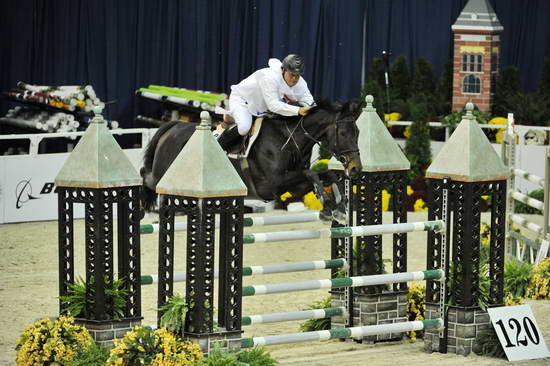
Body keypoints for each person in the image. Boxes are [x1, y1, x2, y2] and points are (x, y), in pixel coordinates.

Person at [217, 54, 314, 151]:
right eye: (292, 74)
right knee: (244, 128)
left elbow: (310, 102)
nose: (294, 79)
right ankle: (217, 145)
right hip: (243, 101)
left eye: (297, 75)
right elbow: (273, 105)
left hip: (262, 108)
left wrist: (314, 110)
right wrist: (299, 110)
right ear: (284, 70)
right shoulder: (269, 77)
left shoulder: (301, 83)